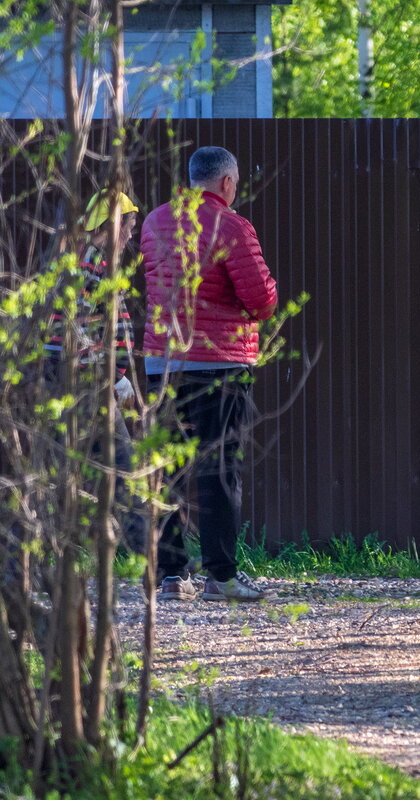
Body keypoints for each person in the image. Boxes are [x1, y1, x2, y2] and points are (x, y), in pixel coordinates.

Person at [140, 146, 277, 602]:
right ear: (226, 183)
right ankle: (221, 577)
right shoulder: (234, 226)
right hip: (219, 363)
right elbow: (261, 300)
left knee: (168, 467)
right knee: (218, 468)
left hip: (163, 363)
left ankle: (172, 577)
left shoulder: (155, 221)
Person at [45, 190, 146, 554]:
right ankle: (154, 563)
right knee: (123, 469)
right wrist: (111, 376)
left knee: (70, 472)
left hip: (83, 379)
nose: (132, 235)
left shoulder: (89, 258)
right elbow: (70, 325)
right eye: (130, 226)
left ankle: (52, 558)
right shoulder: (90, 260)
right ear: (113, 224)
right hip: (86, 382)